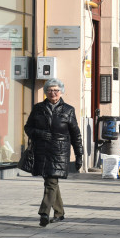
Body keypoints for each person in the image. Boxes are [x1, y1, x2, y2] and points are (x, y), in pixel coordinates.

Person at [25, 78, 83, 227]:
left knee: (51, 181)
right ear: (45, 92)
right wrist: (39, 133)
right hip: (42, 151)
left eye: (56, 90)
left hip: (59, 151)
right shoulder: (38, 108)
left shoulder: (68, 110)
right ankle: (59, 212)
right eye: (50, 90)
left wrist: (79, 155)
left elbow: (75, 134)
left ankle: (44, 212)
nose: (53, 93)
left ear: (61, 92)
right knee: (51, 181)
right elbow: (28, 128)